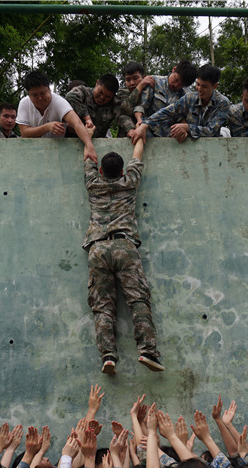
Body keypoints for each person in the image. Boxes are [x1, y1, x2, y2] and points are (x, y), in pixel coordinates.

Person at [82, 138, 164, 374]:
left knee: (103, 305)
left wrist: (87, 134)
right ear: (121, 170)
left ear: (100, 171)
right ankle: (148, 350)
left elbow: (88, 155)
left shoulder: (93, 183)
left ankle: (108, 356)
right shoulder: (129, 182)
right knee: (137, 299)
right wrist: (141, 132)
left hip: (97, 248)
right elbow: (137, 156)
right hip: (124, 246)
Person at [130, 64, 230, 143]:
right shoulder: (190, 98)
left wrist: (187, 127)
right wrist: (145, 125)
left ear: (215, 86)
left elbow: (211, 131)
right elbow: (167, 112)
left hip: (211, 147)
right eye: (198, 84)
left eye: (204, 86)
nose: (199, 89)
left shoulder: (223, 103)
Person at [16, 70, 97, 162]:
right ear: (29, 95)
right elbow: (24, 133)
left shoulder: (59, 102)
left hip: (56, 155)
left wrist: (89, 146)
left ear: (49, 89)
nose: (40, 98)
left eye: (43, 93)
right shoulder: (24, 103)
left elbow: (77, 123)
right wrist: (47, 127)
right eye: (34, 95)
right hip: (30, 154)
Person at [66, 74, 135, 138]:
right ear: (97, 83)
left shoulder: (114, 103)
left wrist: (130, 130)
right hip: (73, 140)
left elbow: (121, 116)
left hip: (97, 143)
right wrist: (87, 117)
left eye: (107, 96)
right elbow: (70, 97)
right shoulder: (83, 91)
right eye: (100, 92)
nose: (102, 97)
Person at [132, 60, 198, 128]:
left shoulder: (187, 95)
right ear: (174, 69)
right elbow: (141, 106)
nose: (176, 85)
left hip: (170, 133)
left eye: (181, 84)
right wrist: (139, 120)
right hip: (148, 128)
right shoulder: (154, 81)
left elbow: (186, 119)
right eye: (176, 79)